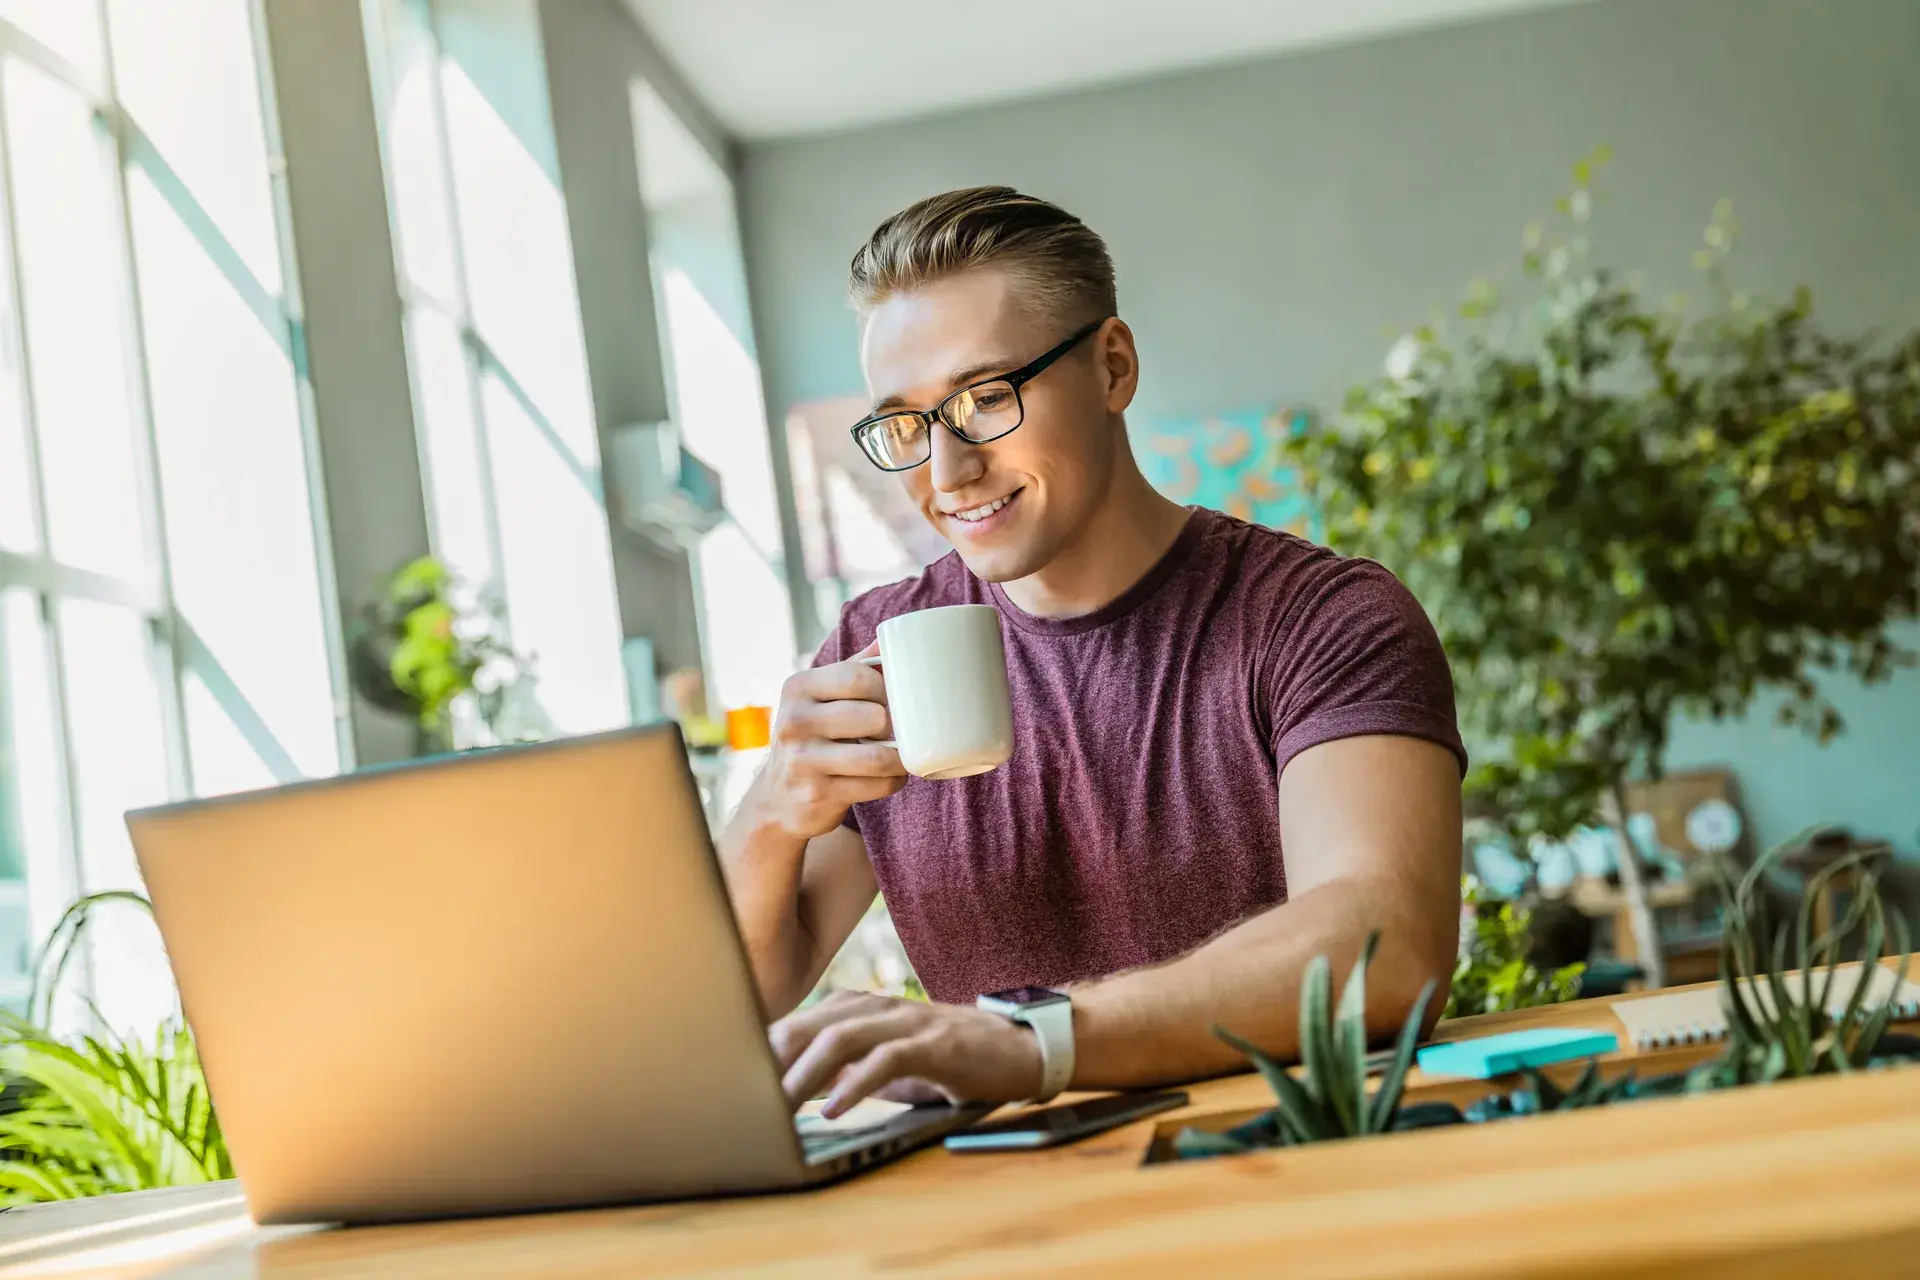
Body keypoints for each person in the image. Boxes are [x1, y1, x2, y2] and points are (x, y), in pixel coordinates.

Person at [720, 186, 1466, 1119]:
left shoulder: (1321, 619)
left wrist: (1029, 1041)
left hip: (1292, 1178)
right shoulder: (876, 654)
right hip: (1022, 1218)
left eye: (986, 399)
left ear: (1112, 367)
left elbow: (1386, 942)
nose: (946, 475)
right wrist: (767, 815)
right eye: (905, 426)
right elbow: (746, 990)